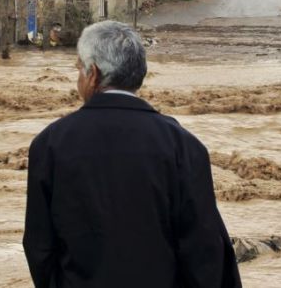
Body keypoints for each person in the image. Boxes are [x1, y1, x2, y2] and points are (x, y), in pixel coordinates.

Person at [23, 21, 241, 288]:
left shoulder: (49, 145)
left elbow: (39, 247)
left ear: (93, 74)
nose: (78, 78)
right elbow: (204, 249)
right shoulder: (183, 146)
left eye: (79, 69)